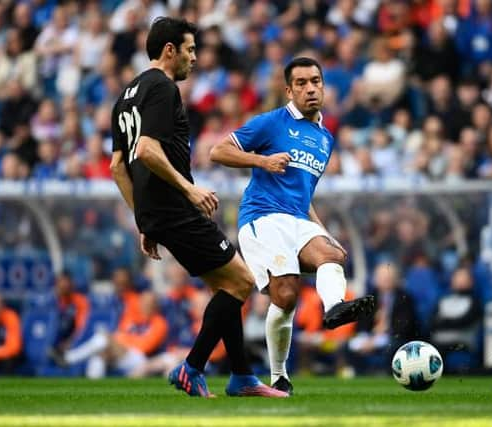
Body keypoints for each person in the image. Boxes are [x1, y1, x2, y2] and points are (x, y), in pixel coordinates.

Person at [109, 16, 286, 398]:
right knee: (241, 281)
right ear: (169, 50)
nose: (194, 58)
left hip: (158, 211)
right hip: (174, 205)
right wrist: (189, 190)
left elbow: (117, 167)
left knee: (226, 285)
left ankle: (241, 377)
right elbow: (147, 150)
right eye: (190, 50)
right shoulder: (162, 87)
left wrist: (143, 220)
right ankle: (192, 368)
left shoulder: (126, 95)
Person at [210, 56, 376, 394]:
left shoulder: (324, 139)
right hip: (262, 216)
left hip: (297, 219)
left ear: (324, 86)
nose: (310, 88)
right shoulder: (272, 123)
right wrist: (262, 160)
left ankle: (334, 309)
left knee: (332, 256)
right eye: (301, 83)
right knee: (286, 295)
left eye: (315, 81)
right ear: (289, 90)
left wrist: (324, 231)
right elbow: (218, 151)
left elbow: (304, 194)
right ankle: (279, 375)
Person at [0, 291, 22, 375]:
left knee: (8, 362)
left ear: (1, 305)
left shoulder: (11, 317)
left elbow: (14, 347)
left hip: (7, 356)